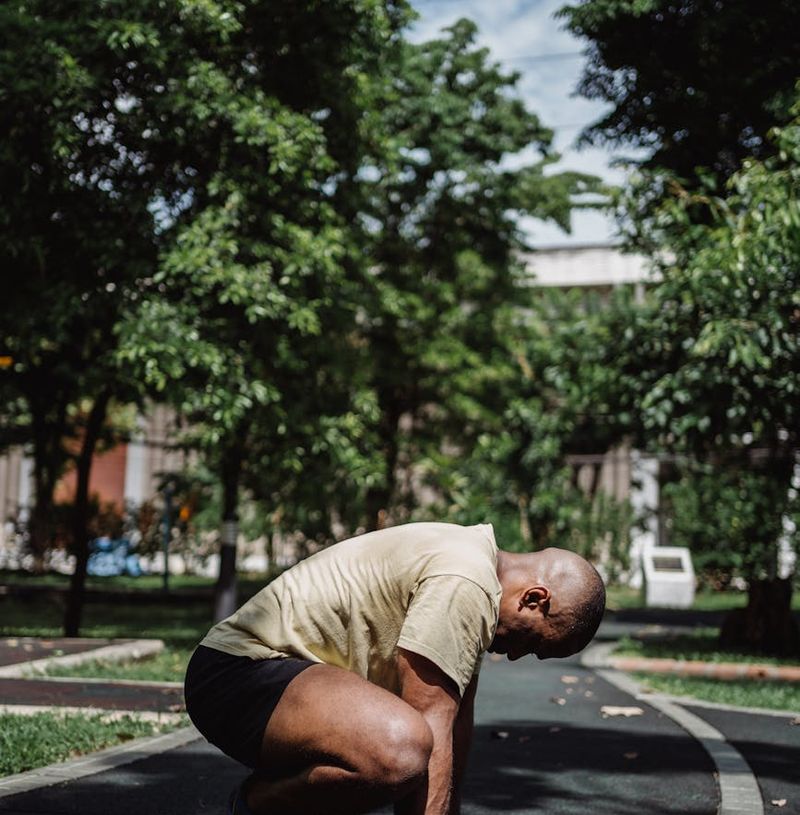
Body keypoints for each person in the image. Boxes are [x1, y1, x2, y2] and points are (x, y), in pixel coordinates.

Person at [184, 522, 605, 815]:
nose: (515, 656)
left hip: (286, 683)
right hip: (235, 675)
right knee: (401, 750)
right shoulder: (466, 580)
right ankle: (256, 806)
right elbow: (431, 726)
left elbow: (456, 728)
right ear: (534, 599)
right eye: (533, 643)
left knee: (405, 747)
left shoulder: (477, 572)